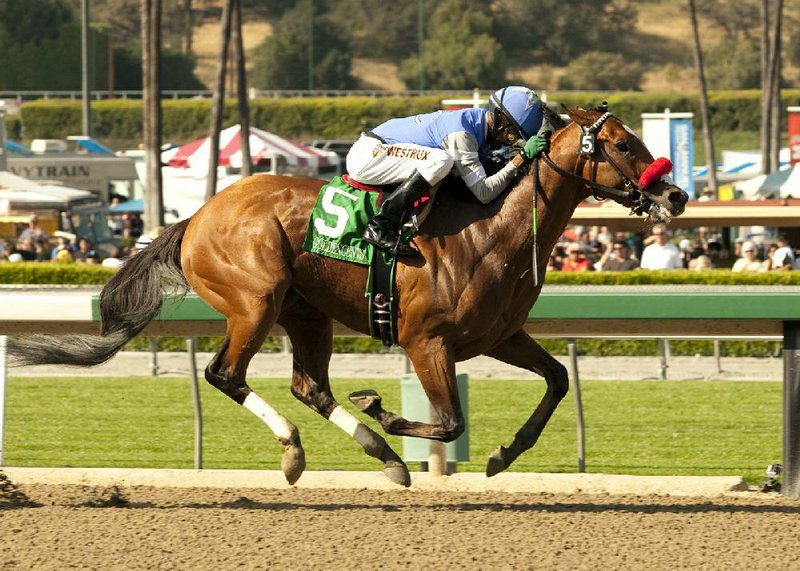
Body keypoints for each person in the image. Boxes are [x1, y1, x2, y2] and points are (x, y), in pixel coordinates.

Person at [346, 86, 551, 255]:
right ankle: (381, 225)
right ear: (500, 121)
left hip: (381, 149)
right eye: (512, 136)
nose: (509, 143)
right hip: (369, 156)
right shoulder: (463, 135)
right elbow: (484, 193)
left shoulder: (477, 122)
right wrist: (520, 159)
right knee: (441, 160)